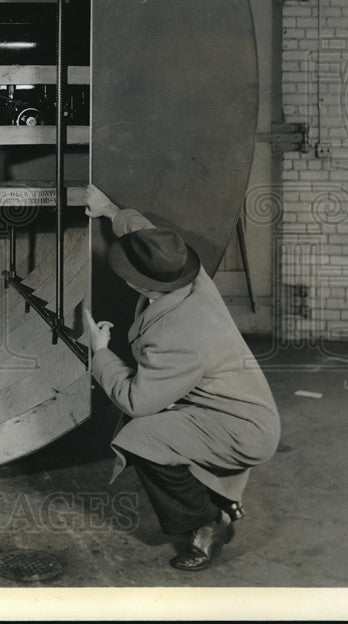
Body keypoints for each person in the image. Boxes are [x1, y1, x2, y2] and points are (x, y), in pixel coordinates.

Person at [83, 185, 280, 571]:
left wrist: (99, 351)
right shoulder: (188, 276)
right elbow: (148, 238)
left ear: (139, 285)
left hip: (242, 429)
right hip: (236, 407)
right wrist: (109, 209)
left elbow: (135, 400)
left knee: (139, 435)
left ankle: (209, 523)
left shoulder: (178, 333)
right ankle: (219, 497)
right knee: (153, 421)